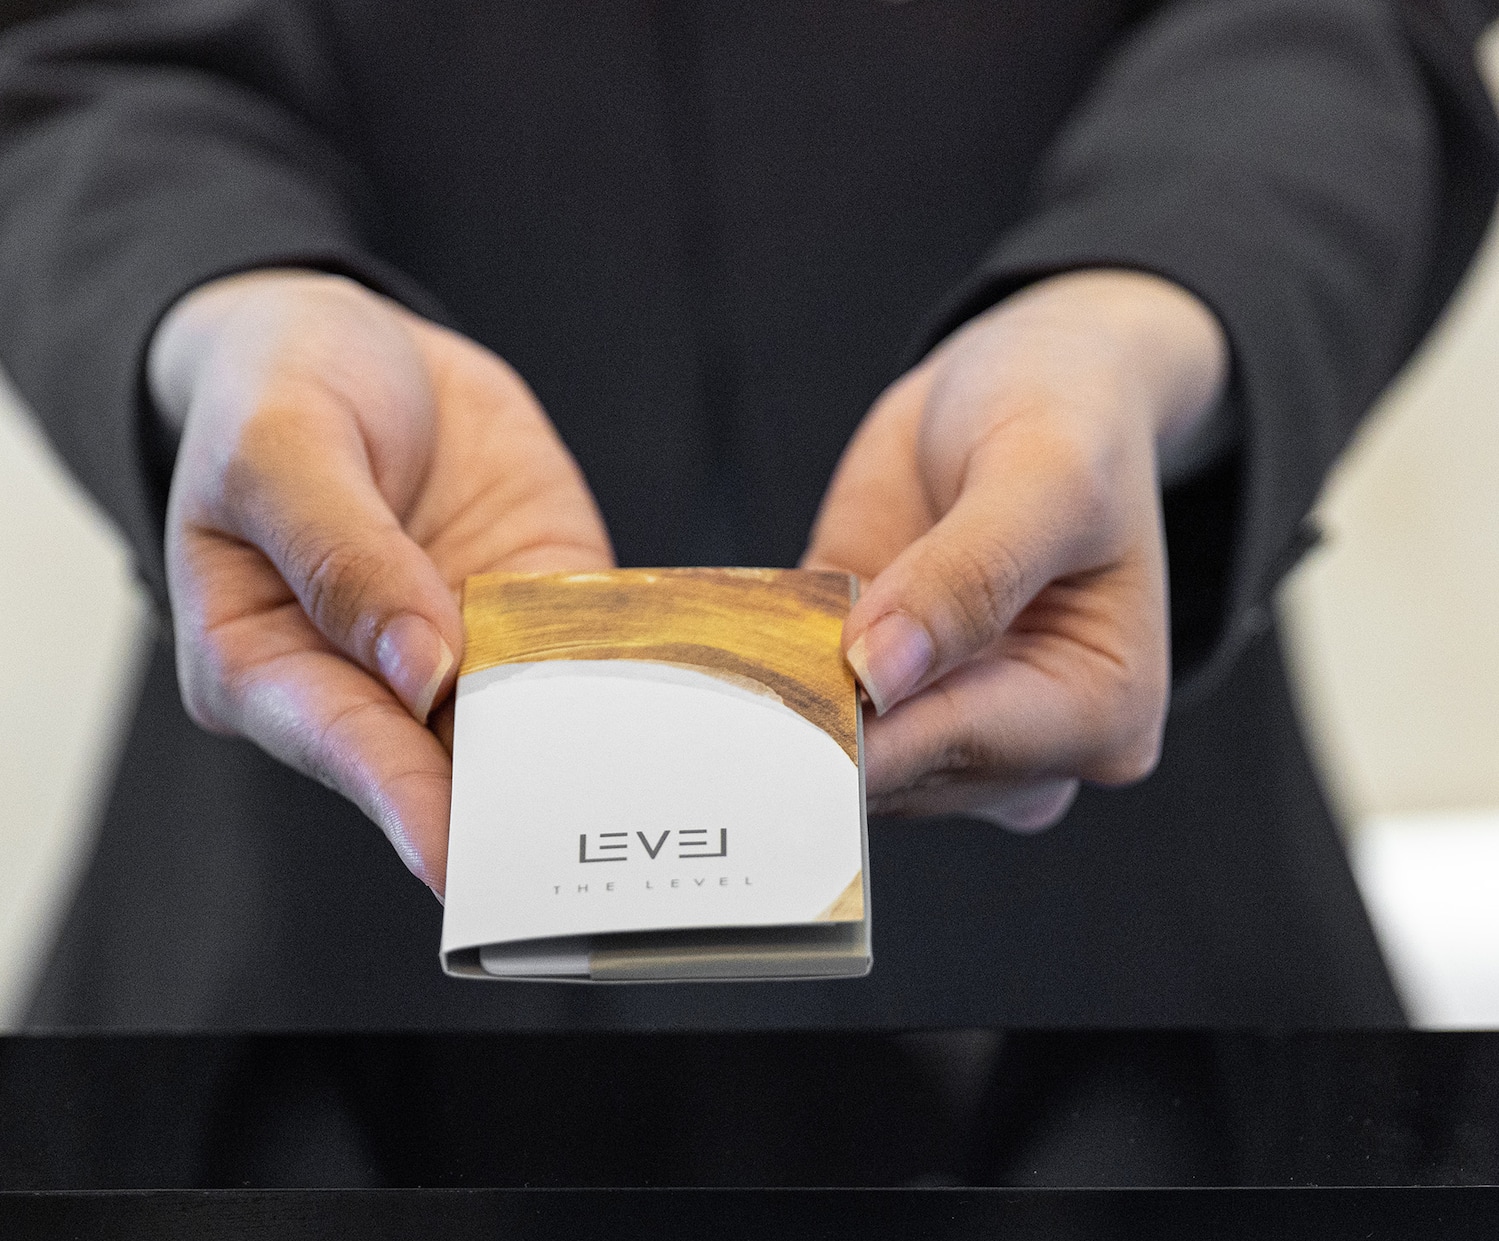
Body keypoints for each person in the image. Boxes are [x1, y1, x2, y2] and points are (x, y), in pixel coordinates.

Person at [0, 0, 1494, 1032]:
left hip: (1107, 882)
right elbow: (77, 45)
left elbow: (1342, 21)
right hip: (333, 839)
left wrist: (1146, 301)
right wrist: (221, 304)